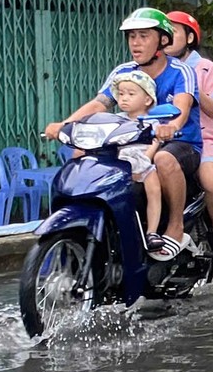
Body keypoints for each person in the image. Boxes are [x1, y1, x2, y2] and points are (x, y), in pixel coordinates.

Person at [46, 8, 198, 253]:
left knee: (163, 159)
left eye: (143, 36)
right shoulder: (123, 72)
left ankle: (175, 226)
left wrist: (171, 127)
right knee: (81, 157)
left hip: (180, 143)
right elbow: (100, 104)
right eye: (131, 36)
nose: (135, 43)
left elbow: (182, 107)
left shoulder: (181, 71)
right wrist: (65, 124)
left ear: (163, 40)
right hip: (131, 142)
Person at [71, 69, 173, 255]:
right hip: (118, 163)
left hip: (142, 162)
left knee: (153, 187)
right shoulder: (115, 120)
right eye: (121, 94)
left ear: (148, 99)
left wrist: (145, 160)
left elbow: (155, 143)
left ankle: (152, 231)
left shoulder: (153, 121)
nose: (124, 98)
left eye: (131, 94)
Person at [167, 11, 213, 254]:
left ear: (190, 37)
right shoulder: (159, 68)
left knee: (211, 181)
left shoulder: (205, 68)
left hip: (204, 139)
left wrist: (193, 89)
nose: (166, 38)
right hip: (165, 139)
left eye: (173, 32)